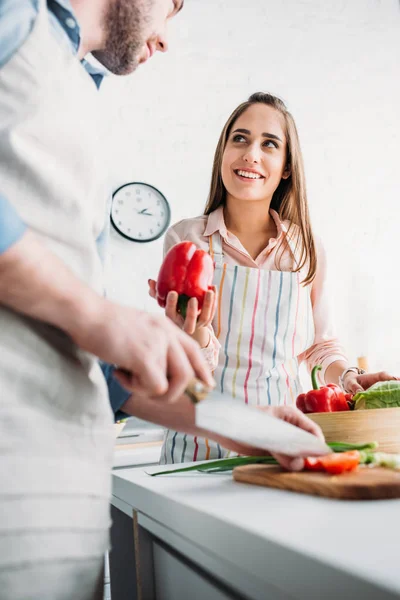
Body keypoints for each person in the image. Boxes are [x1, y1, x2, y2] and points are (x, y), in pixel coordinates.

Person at [0, 4, 324, 599]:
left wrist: (245, 426)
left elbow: (101, 367)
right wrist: (97, 315)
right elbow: (89, 325)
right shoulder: (15, 16)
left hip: (58, 508)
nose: (168, 38)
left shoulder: (73, 89)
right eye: (173, 5)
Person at [149, 92, 398, 465]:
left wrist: (348, 376)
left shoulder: (304, 248)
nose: (251, 154)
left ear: (285, 167)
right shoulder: (188, 241)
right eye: (240, 138)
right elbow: (178, 360)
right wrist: (194, 333)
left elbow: (319, 346)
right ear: (223, 153)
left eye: (269, 144)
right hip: (197, 444)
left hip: (279, 441)